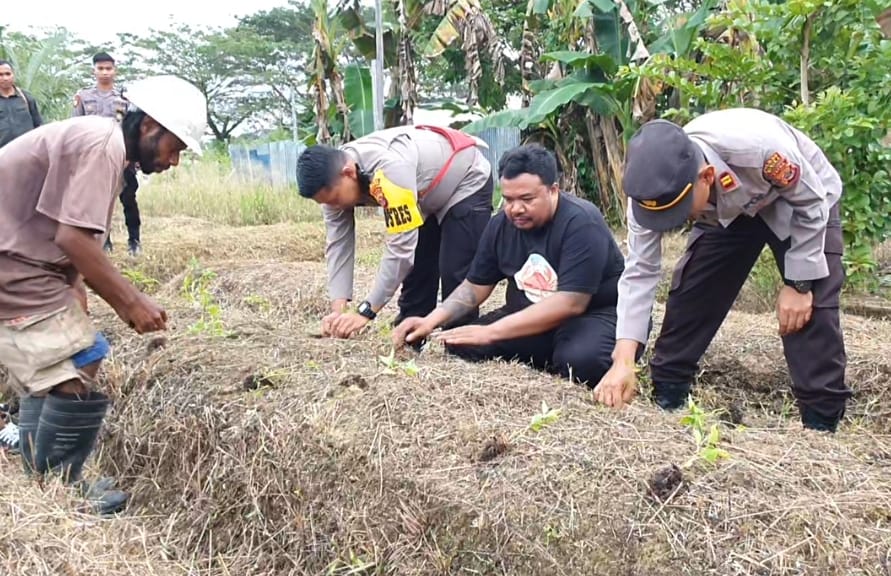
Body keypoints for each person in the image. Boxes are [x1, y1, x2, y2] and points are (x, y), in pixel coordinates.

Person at [0, 74, 207, 513]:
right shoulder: (103, 146)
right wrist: (132, 302)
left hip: (22, 259)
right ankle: (57, 488)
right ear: (149, 126)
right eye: (176, 147)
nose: (174, 161)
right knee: (79, 360)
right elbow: (72, 238)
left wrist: (74, 285)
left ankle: (43, 476)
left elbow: (65, 228)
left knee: (69, 361)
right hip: (12, 262)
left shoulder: (104, 145)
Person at [593, 108, 851, 433]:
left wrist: (799, 284)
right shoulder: (648, 192)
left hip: (799, 203)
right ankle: (668, 399)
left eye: (681, 213)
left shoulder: (762, 151)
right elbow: (640, 272)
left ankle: (821, 424)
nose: (676, 223)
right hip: (725, 212)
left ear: (706, 177)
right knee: (692, 293)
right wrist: (624, 359)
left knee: (811, 310)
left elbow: (812, 203)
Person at [393, 144, 626, 386]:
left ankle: (561, 352)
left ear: (553, 190)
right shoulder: (500, 225)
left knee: (581, 363)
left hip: (594, 315)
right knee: (459, 344)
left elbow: (571, 304)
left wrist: (491, 331)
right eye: (508, 199)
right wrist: (430, 321)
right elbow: (474, 288)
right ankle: (548, 351)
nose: (515, 208)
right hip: (529, 316)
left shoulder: (581, 223)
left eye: (527, 199)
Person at [297, 125, 494, 341]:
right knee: (418, 270)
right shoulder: (333, 183)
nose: (332, 207)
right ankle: (410, 335)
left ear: (349, 173)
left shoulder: (389, 169)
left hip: (465, 181)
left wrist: (366, 311)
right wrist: (338, 311)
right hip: (423, 195)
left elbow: (400, 250)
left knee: (455, 269)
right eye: (325, 203)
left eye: (334, 199)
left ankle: (460, 339)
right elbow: (338, 245)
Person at [72, 52, 142, 256]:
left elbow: (134, 128)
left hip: (122, 158)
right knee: (100, 203)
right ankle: (105, 242)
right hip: (94, 159)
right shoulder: (83, 97)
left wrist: (132, 157)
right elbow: (76, 127)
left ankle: (134, 241)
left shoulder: (125, 97)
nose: (104, 72)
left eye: (108, 68)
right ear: (93, 70)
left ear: (115, 70)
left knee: (128, 199)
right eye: (100, 68)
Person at [0, 60, 42, 149]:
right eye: (1, 75)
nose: (5, 78)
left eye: (8, 74)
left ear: (13, 75)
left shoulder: (26, 98)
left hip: (27, 152)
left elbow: (39, 126)